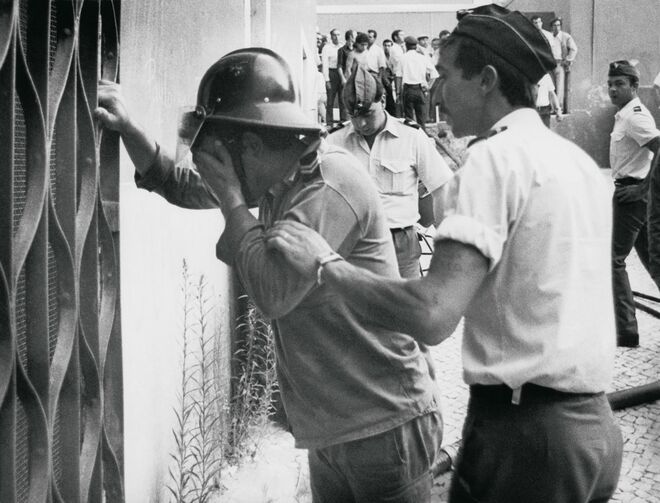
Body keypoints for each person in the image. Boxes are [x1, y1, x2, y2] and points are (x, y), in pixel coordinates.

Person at [266, 5, 624, 503]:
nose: (435, 93)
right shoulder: (574, 161)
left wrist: (325, 264)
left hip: (524, 437)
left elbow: (433, 315)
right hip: (592, 431)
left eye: (445, 75)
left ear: (487, 80)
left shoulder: (493, 160)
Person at [95, 47, 443, 503]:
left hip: (382, 423)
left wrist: (232, 199)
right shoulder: (276, 178)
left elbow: (274, 292)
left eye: (220, 153)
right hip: (333, 426)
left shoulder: (327, 184)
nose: (213, 165)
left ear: (252, 146)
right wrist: (127, 128)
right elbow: (178, 183)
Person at [327, 65, 453, 278]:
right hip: (350, 245)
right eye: (354, 116)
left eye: (368, 114)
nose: (361, 123)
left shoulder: (411, 137)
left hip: (400, 245)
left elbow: (441, 189)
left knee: (404, 300)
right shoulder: (333, 141)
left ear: (383, 101)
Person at [607, 60, 660, 347]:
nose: (613, 89)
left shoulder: (635, 116)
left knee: (613, 261)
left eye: (620, 84)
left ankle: (626, 331)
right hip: (630, 194)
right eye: (610, 84)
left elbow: (659, 147)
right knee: (652, 260)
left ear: (635, 86)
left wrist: (643, 187)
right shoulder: (624, 114)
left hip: (632, 196)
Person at [400, 35, 435, 131]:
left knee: (409, 118)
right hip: (420, 89)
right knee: (421, 117)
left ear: (406, 46)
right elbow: (434, 74)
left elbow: (398, 76)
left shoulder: (402, 58)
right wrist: (428, 86)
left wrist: (398, 92)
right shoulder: (422, 58)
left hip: (408, 89)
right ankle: (423, 135)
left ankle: (412, 136)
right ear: (416, 46)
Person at [550, 17, 577, 112]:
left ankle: (559, 108)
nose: (556, 27)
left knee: (559, 87)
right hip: (550, 63)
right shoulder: (549, 36)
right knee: (551, 87)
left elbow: (574, 49)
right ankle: (552, 108)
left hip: (559, 64)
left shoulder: (565, 36)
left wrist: (567, 60)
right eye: (554, 25)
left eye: (558, 25)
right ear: (551, 27)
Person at [321, 28, 343, 125]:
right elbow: (325, 64)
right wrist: (327, 80)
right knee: (330, 100)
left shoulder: (342, 46)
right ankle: (329, 122)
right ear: (331, 36)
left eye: (338, 35)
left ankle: (343, 121)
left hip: (341, 73)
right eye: (334, 35)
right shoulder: (327, 48)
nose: (336, 37)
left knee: (342, 99)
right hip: (331, 73)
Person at [382, 38, 400, 116]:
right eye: (385, 45)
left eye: (389, 46)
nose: (387, 47)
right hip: (385, 79)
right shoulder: (381, 56)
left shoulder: (394, 56)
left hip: (393, 78)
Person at [337, 28, 356, 101]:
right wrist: (342, 79)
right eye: (355, 36)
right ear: (350, 37)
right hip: (346, 78)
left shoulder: (356, 49)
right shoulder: (342, 50)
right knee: (344, 100)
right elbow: (339, 66)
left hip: (355, 78)